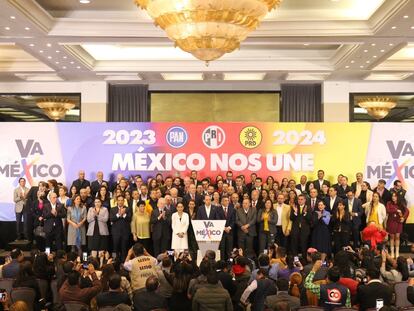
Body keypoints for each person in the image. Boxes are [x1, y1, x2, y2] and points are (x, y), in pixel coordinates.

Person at [110, 194, 132, 262]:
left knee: (124, 248)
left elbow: (129, 219)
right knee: (114, 248)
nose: (120, 202)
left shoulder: (128, 208)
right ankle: (114, 261)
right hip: (116, 232)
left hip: (125, 232)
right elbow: (111, 219)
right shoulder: (113, 209)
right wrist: (119, 214)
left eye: (122, 200)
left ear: (124, 201)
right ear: (117, 201)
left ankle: (124, 263)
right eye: (119, 200)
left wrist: (124, 214)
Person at [386, 192, 409, 258]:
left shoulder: (401, 203)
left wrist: (403, 218)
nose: (393, 197)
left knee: (397, 237)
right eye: (392, 196)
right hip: (391, 222)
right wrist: (396, 210)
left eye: (395, 196)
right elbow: (388, 210)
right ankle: (392, 252)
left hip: (398, 222)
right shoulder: (389, 203)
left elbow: (407, 211)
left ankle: (397, 252)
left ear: (397, 197)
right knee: (392, 237)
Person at [219, 195, 236, 260]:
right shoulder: (218, 209)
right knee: (222, 250)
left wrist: (228, 228)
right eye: (225, 201)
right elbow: (218, 220)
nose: (227, 202)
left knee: (229, 250)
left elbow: (233, 220)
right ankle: (222, 264)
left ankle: (230, 264)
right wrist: (224, 228)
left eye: (228, 200)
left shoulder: (232, 210)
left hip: (230, 232)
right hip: (221, 233)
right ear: (222, 202)